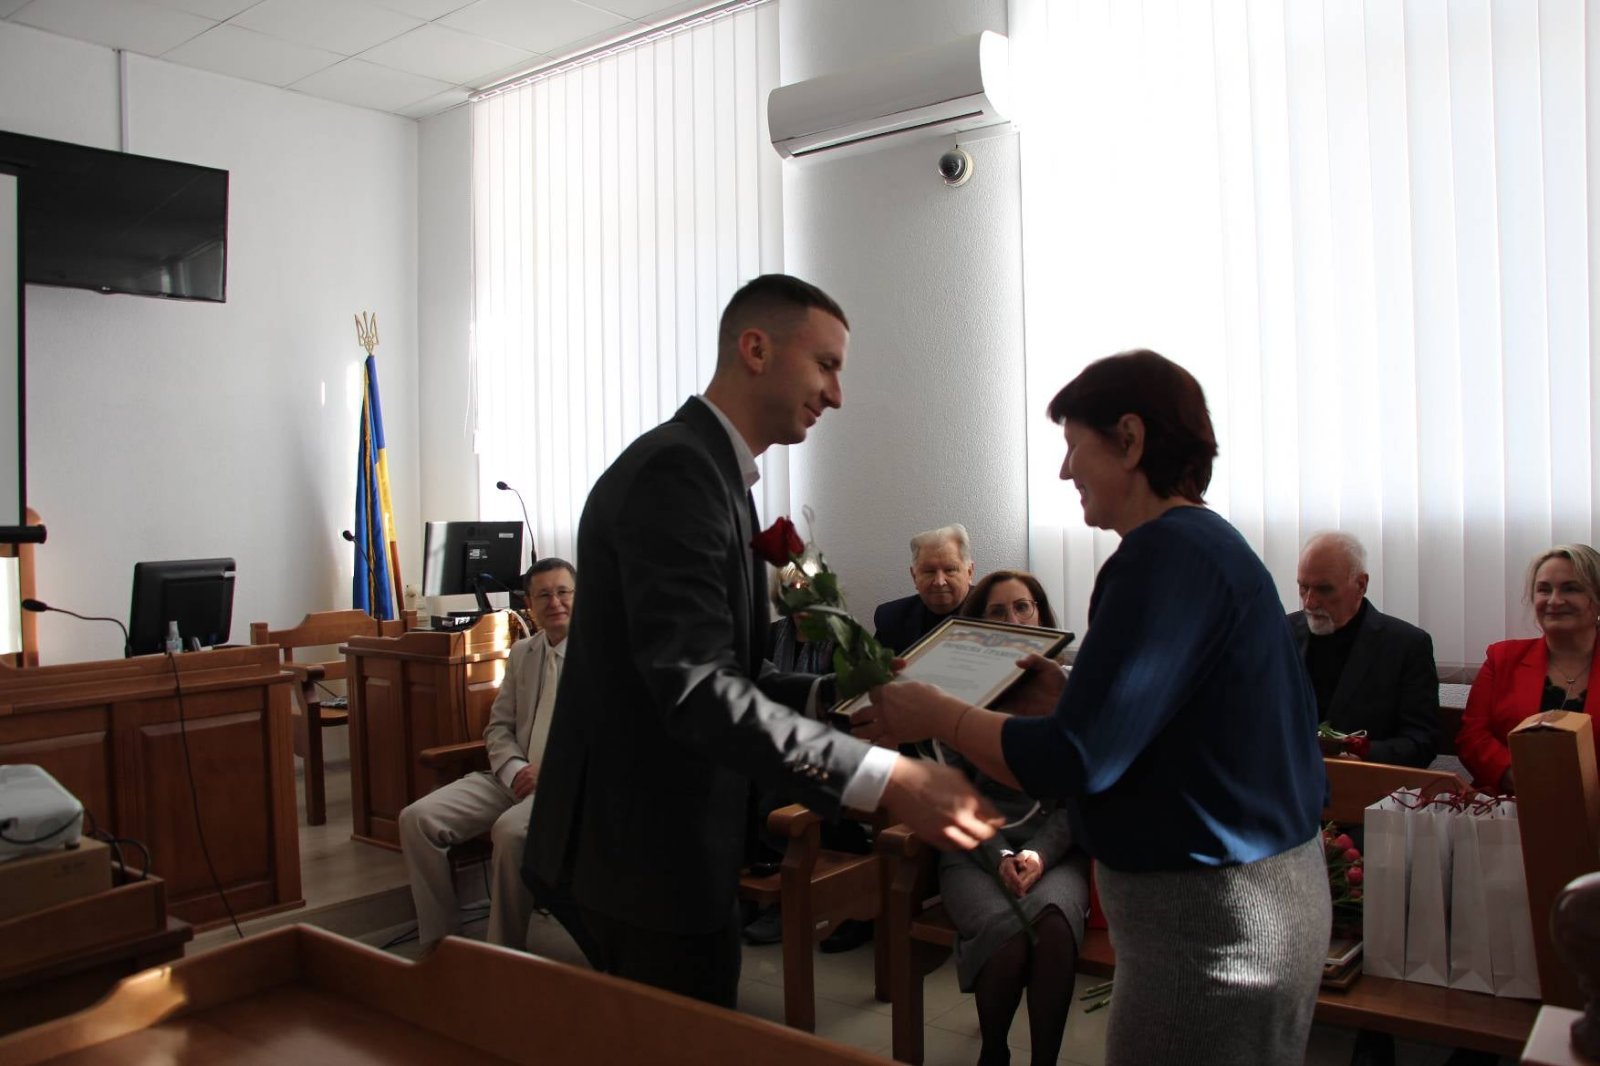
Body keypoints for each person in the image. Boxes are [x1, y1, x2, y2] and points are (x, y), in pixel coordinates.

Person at [522, 273, 999, 1008]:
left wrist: (836, 700)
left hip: (668, 849)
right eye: (826, 365)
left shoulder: (718, 477)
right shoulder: (679, 473)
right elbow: (697, 691)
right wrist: (885, 777)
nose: (836, 395)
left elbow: (730, 672)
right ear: (756, 349)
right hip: (643, 855)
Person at [859, 350, 1328, 1066]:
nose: (1064, 470)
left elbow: (1072, 760)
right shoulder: (1208, 545)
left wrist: (938, 713)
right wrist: (1070, 696)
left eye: (1074, 445)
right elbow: (1183, 723)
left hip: (1212, 924)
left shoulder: (1156, 557)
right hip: (1251, 904)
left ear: (1130, 440)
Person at [942, 571, 1086, 1066]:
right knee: (1007, 933)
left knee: (1052, 928)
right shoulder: (959, 693)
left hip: (1055, 851)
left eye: (1023, 607)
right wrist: (1001, 853)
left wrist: (1038, 855)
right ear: (979, 626)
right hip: (975, 850)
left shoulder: (1071, 688)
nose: (1015, 620)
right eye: (998, 612)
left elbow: (1079, 796)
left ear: (1041, 615)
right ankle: (994, 1054)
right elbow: (954, 794)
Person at [397, 558, 575, 952]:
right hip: (510, 778)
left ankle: (501, 955)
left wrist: (549, 774)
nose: (555, 602)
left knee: (509, 832)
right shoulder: (523, 652)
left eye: (563, 592)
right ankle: (442, 945)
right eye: (543, 595)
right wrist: (513, 770)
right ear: (528, 604)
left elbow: (607, 743)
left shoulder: (602, 659)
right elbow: (498, 727)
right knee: (417, 819)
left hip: (563, 787)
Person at [1456, 543, 1600, 793]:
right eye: (1544, 589)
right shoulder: (1502, 658)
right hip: (1509, 804)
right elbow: (1473, 737)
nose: (1554, 600)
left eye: (1571, 588)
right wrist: (1519, 775)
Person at [1289, 531, 1439, 767]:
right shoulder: (1282, 632)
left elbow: (1421, 741)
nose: (1309, 602)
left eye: (1324, 589)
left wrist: (1362, 755)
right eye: (1303, 587)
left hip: (1364, 783)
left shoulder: (1406, 646)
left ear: (1360, 585)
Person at [873, 524, 977, 653]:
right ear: (914, 576)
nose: (939, 582)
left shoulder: (995, 613)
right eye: (929, 571)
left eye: (950, 570)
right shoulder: (891, 618)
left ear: (969, 572)